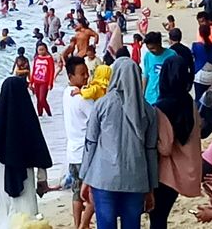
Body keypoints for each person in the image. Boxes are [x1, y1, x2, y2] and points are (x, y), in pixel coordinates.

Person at [80, 57, 158, 229]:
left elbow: (90, 142)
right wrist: (151, 186)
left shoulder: (102, 104)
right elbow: (151, 150)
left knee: (106, 224)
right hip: (136, 178)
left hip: (104, 177)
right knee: (132, 224)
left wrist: (85, 176)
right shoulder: (148, 110)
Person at [0, 77, 52, 229]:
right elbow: (39, 150)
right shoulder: (28, 119)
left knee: (2, 214)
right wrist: (42, 178)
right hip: (23, 172)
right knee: (26, 215)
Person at [148, 56, 201, 229]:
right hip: (186, 170)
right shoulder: (190, 103)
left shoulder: (161, 108)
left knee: (157, 218)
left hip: (166, 174)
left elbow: (164, 148)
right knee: (162, 215)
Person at [62, 57, 95, 229]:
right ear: (70, 76)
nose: (86, 77)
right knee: (93, 193)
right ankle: (84, 224)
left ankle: (77, 225)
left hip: (72, 152)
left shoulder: (66, 93)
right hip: (85, 152)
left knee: (77, 191)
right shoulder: (82, 98)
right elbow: (96, 119)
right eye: (81, 74)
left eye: (87, 73)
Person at [142, 31, 176, 105]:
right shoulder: (148, 56)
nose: (151, 51)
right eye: (149, 49)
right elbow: (145, 76)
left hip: (166, 97)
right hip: (150, 97)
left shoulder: (172, 55)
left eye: (153, 48)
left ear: (159, 44)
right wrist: (142, 94)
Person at [191, 24, 212, 101]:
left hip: (199, 75)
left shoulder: (195, 46)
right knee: (211, 100)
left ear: (200, 33)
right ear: (209, 33)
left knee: (198, 98)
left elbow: (192, 59)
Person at [30, 43, 56, 117]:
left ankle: (49, 113)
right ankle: (40, 115)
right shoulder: (36, 58)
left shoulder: (49, 58)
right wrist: (31, 82)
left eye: (43, 49)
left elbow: (52, 71)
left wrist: (50, 83)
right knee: (38, 100)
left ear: (46, 49)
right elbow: (34, 70)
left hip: (44, 82)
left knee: (42, 99)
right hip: (36, 81)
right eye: (39, 50)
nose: (41, 51)